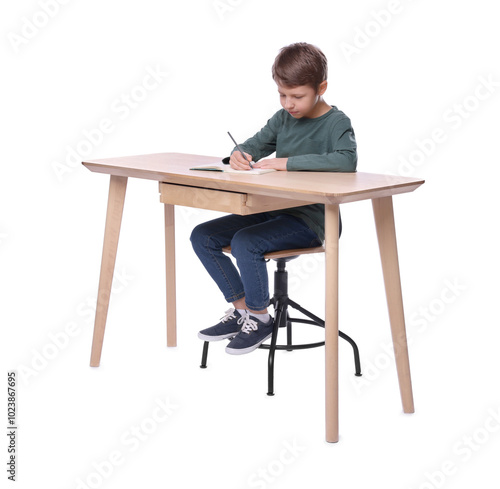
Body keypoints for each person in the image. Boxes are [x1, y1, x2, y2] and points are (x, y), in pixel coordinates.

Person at [190, 42, 357, 355]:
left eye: (297, 96)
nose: (289, 104)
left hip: (313, 220)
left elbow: (346, 161)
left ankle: (261, 317)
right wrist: (239, 154)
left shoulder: (336, 123)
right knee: (202, 236)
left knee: (245, 242)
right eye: (282, 95)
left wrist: (286, 162)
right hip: (273, 209)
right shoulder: (283, 118)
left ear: (321, 88)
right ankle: (244, 312)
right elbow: (254, 144)